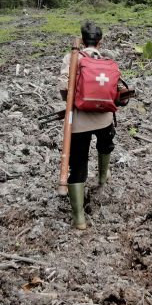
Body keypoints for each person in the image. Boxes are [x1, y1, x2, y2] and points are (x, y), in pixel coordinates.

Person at [58, 21, 127, 230]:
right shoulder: (106, 60)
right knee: (106, 144)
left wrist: (76, 100)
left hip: (79, 121)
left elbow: (63, 88)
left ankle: (78, 219)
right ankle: (103, 177)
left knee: (77, 165)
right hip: (105, 117)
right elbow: (115, 91)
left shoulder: (72, 57)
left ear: (82, 38)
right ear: (100, 41)